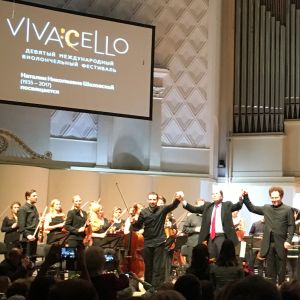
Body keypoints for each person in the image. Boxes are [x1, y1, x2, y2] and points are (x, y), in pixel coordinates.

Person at [242, 186, 295, 285]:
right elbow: (252, 208)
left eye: (276, 197)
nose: (274, 200)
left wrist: (288, 240)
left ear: (281, 197)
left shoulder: (288, 209)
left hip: (281, 244)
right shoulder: (267, 208)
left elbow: (291, 226)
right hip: (268, 244)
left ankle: (282, 291)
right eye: (272, 197)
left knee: (281, 271)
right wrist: (245, 197)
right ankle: (272, 292)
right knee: (270, 271)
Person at [131, 191, 183, 288]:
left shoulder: (162, 209)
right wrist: (133, 222)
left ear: (157, 200)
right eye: (150, 199)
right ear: (147, 200)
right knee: (148, 266)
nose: (152, 201)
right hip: (147, 242)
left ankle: (155, 288)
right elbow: (137, 227)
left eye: (154, 199)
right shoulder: (143, 212)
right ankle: (148, 287)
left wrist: (178, 199)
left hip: (159, 242)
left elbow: (172, 206)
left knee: (158, 267)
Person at [182, 190, 243, 259]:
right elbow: (194, 209)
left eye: (216, 193)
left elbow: (237, 206)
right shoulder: (208, 206)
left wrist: (241, 199)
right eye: (212, 194)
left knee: (221, 257)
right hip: (210, 237)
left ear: (221, 196)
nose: (214, 195)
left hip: (221, 236)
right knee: (211, 257)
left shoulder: (227, 205)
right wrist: (183, 201)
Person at [181, 198, 205, 264]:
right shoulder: (191, 216)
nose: (202, 208)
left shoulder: (207, 216)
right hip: (193, 245)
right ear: (196, 206)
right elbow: (184, 229)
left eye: (203, 206)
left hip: (204, 245)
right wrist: (195, 229)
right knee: (192, 264)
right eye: (200, 206)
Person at [17, 190, 39, 259]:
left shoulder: (34, 208)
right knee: (27, 260)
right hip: (27, 238)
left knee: (33, 259)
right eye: (34, 196)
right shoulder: (23, 209)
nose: (36, 197)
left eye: (36, 195)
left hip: (34, 236)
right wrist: (27, 235)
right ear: (28, 197)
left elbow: (34, 221)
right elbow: (20, 226)